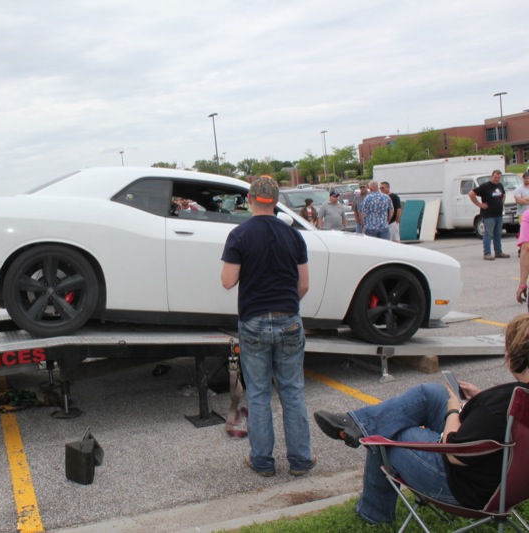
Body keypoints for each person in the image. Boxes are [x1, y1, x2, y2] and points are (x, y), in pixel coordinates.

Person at [314, 312, 529, 525]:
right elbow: (503, 422)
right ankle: (356, 423)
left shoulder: (502, 401)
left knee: (386, 434)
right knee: (432, 394)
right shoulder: (515, 399)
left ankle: (373, 514)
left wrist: (454, 411)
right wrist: (481, 398)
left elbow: (456, 454)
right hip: (503, 479)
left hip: (466, 488)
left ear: (513, 357)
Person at [220, 176, 315, 478]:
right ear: (275, 202)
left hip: (253, 321)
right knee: (293, 392)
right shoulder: (294, 236)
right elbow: (304, 285)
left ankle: (262, 462)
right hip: (289, 320)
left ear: (250, 199)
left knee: (259, 394)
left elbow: (228, 281)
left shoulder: (239, 235)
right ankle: (300, 461)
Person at [469, 169, 509, 260]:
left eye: (498, 177)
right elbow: (471, 193)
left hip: (498, 214)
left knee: (498, 234)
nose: (497, 179)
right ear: (492, 176)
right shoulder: (485, 186)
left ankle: (498, 252)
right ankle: (487, 253)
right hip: (488, 215)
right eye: (495, 177)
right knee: (488, 234)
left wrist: (502, 203)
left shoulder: (500, 185)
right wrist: (479, 204)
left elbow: (503, 194)